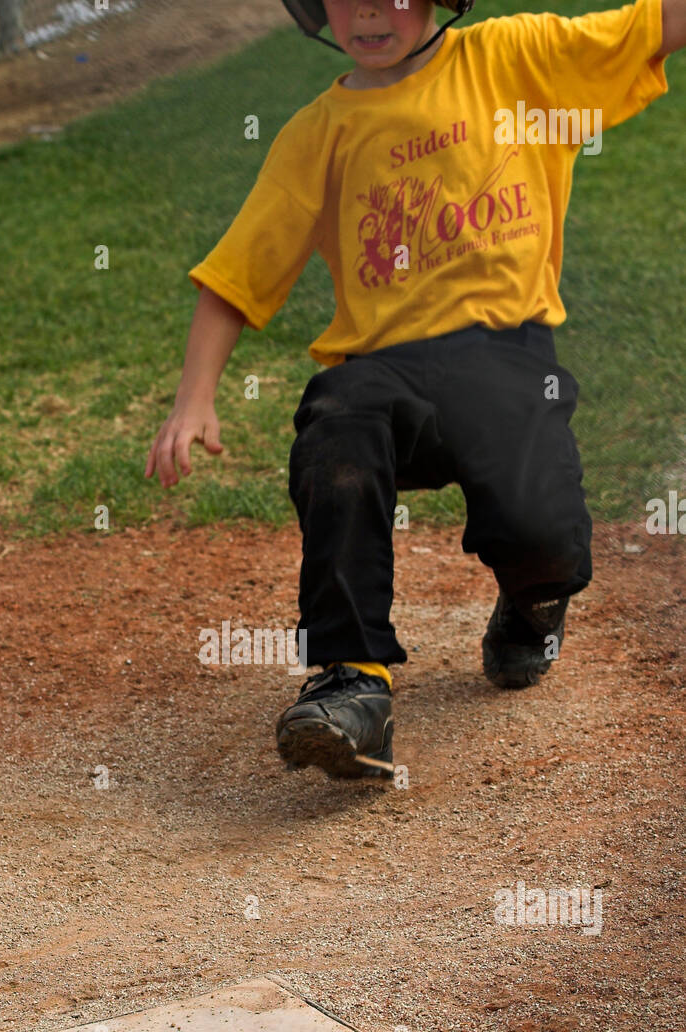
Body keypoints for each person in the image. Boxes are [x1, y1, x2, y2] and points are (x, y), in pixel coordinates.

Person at [145, 0, 684, 779]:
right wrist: (194, 397)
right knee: (335, 432)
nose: (368, 10)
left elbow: (655, 26)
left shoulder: (515, 58)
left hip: (502, 352)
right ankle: (351, 682)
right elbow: (236, 274)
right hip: (382, 364)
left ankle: (533, 604)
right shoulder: (319, 132)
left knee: (543, 530)